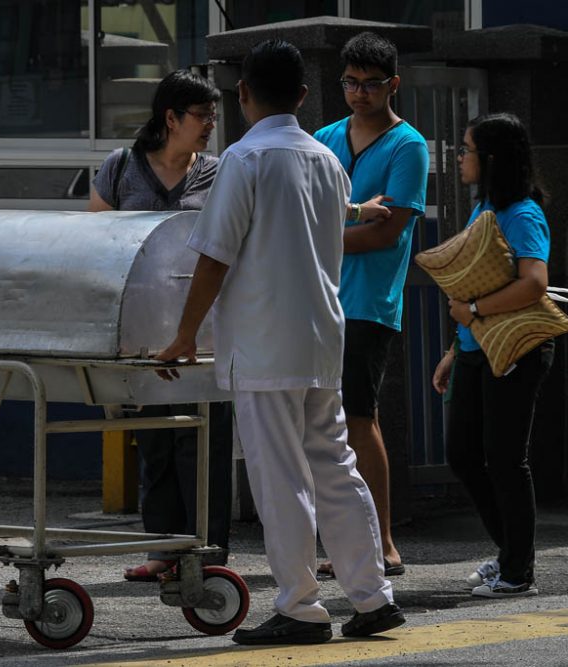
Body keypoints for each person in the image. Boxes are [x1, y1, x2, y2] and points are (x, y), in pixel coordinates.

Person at [156, 39, 404, 644]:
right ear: (302, 95)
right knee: (335, 466)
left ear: (242, 95)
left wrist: (186, 334)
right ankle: (373, 597)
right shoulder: (326, 158)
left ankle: (300, 606)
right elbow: (337, 216)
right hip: (324, 337)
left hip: (265, 345)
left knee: (280, 475)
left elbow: (215, 255)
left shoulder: (243, 159)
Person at [88, 69, 233, 581]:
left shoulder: (217, 173)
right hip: (144, 331)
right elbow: (97, 241)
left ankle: (206, 551)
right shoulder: (120, 168)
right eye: (202, 115)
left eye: (214, 114)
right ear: (170, 118)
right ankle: (162, 548)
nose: (211, 124)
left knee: (203, 439)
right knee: (155, 438)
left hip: (205, 325)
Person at [313, 32, 430, 578]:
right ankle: (338, 539)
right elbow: (308, 219)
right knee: (319, 421)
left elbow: (387, 236)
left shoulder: (409, 146)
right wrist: (354, 218)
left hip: (366, 302)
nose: (359, 94)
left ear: (394, 85)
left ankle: (382, 539)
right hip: (315, 297)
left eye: (371, 84)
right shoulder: (324, 137)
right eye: (351, 83)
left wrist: (321, 232)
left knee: (360, 416)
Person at [431, 113, 552, 599]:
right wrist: (450, 351)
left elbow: (535, 282)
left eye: (467, 149)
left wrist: (474, 309)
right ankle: (511, 555)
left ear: (492, 158)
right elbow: (473, 284)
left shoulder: (522, 213)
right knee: (463, 455)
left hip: (516, 351)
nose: (460, 157)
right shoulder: (483, 207)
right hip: (473, 352)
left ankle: (517, 573)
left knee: (505, 460)